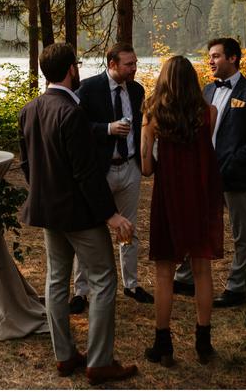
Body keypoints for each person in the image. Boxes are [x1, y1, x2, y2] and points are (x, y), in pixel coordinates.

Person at [18, 43, 138, 386]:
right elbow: (86, 172)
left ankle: (65, 355)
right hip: (78, 214)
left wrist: (45, 192)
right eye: (77, 64)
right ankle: (99, 362)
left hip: (48, 210)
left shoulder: (29, 109)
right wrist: (111, 215)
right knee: (103, 281)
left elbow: (28, 165)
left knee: (56, 281)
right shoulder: (72, 113)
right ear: (72, 69)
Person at [173, 37, 246, 308]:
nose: (211, 61)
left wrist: (237, 159)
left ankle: (237, 285)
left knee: (240, 232)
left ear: (232, 58)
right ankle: (185, 278)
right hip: (204, 173)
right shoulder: (206, 91)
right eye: (209, 56)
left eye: (216, 56)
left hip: (235, 175)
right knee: (195, 224)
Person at [139, 56, 225, 366]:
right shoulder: (209, 113)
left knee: (164, 273)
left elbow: (146, 167)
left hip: (169, 196)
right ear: (192, 80)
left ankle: (163, 344)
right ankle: (204, 343)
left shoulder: (152, 114)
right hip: (202, 195)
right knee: (203, 270)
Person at [69, 43, 152, 315]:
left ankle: (131, 284)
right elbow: (76, 127)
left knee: (129, 228)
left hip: (129, 167)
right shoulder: (90, 88)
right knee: (90, 229)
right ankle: (80, 291)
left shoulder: (137, 90)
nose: (134, 68)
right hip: (100, 171)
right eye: (129, 64)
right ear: (113, 64)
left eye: (135, 63)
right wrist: (108, 128)